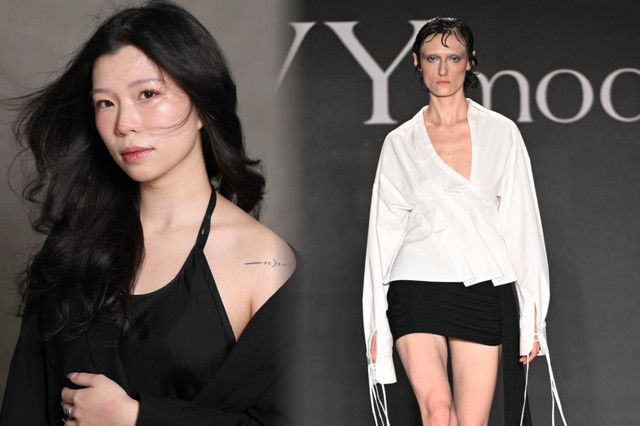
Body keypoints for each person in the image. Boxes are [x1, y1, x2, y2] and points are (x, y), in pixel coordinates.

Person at [0, 1, 297, 425]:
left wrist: (138, 418)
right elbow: (25, 405)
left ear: (201, 104)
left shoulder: (266, 263)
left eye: (148, 94)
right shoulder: (73, 244)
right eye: (105, 103)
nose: (124, 124)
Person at [362, 17, 566, 426]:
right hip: (415, 285)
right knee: (438, 412)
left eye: (453, 58)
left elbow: (522, 225)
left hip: (482, 288)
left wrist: (533, 317)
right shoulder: (400, 143)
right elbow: (382, 236)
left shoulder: (501, 133)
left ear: (469, 62)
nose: (443, 69)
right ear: (416, 62)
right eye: (432, 58)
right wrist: (375, 322)